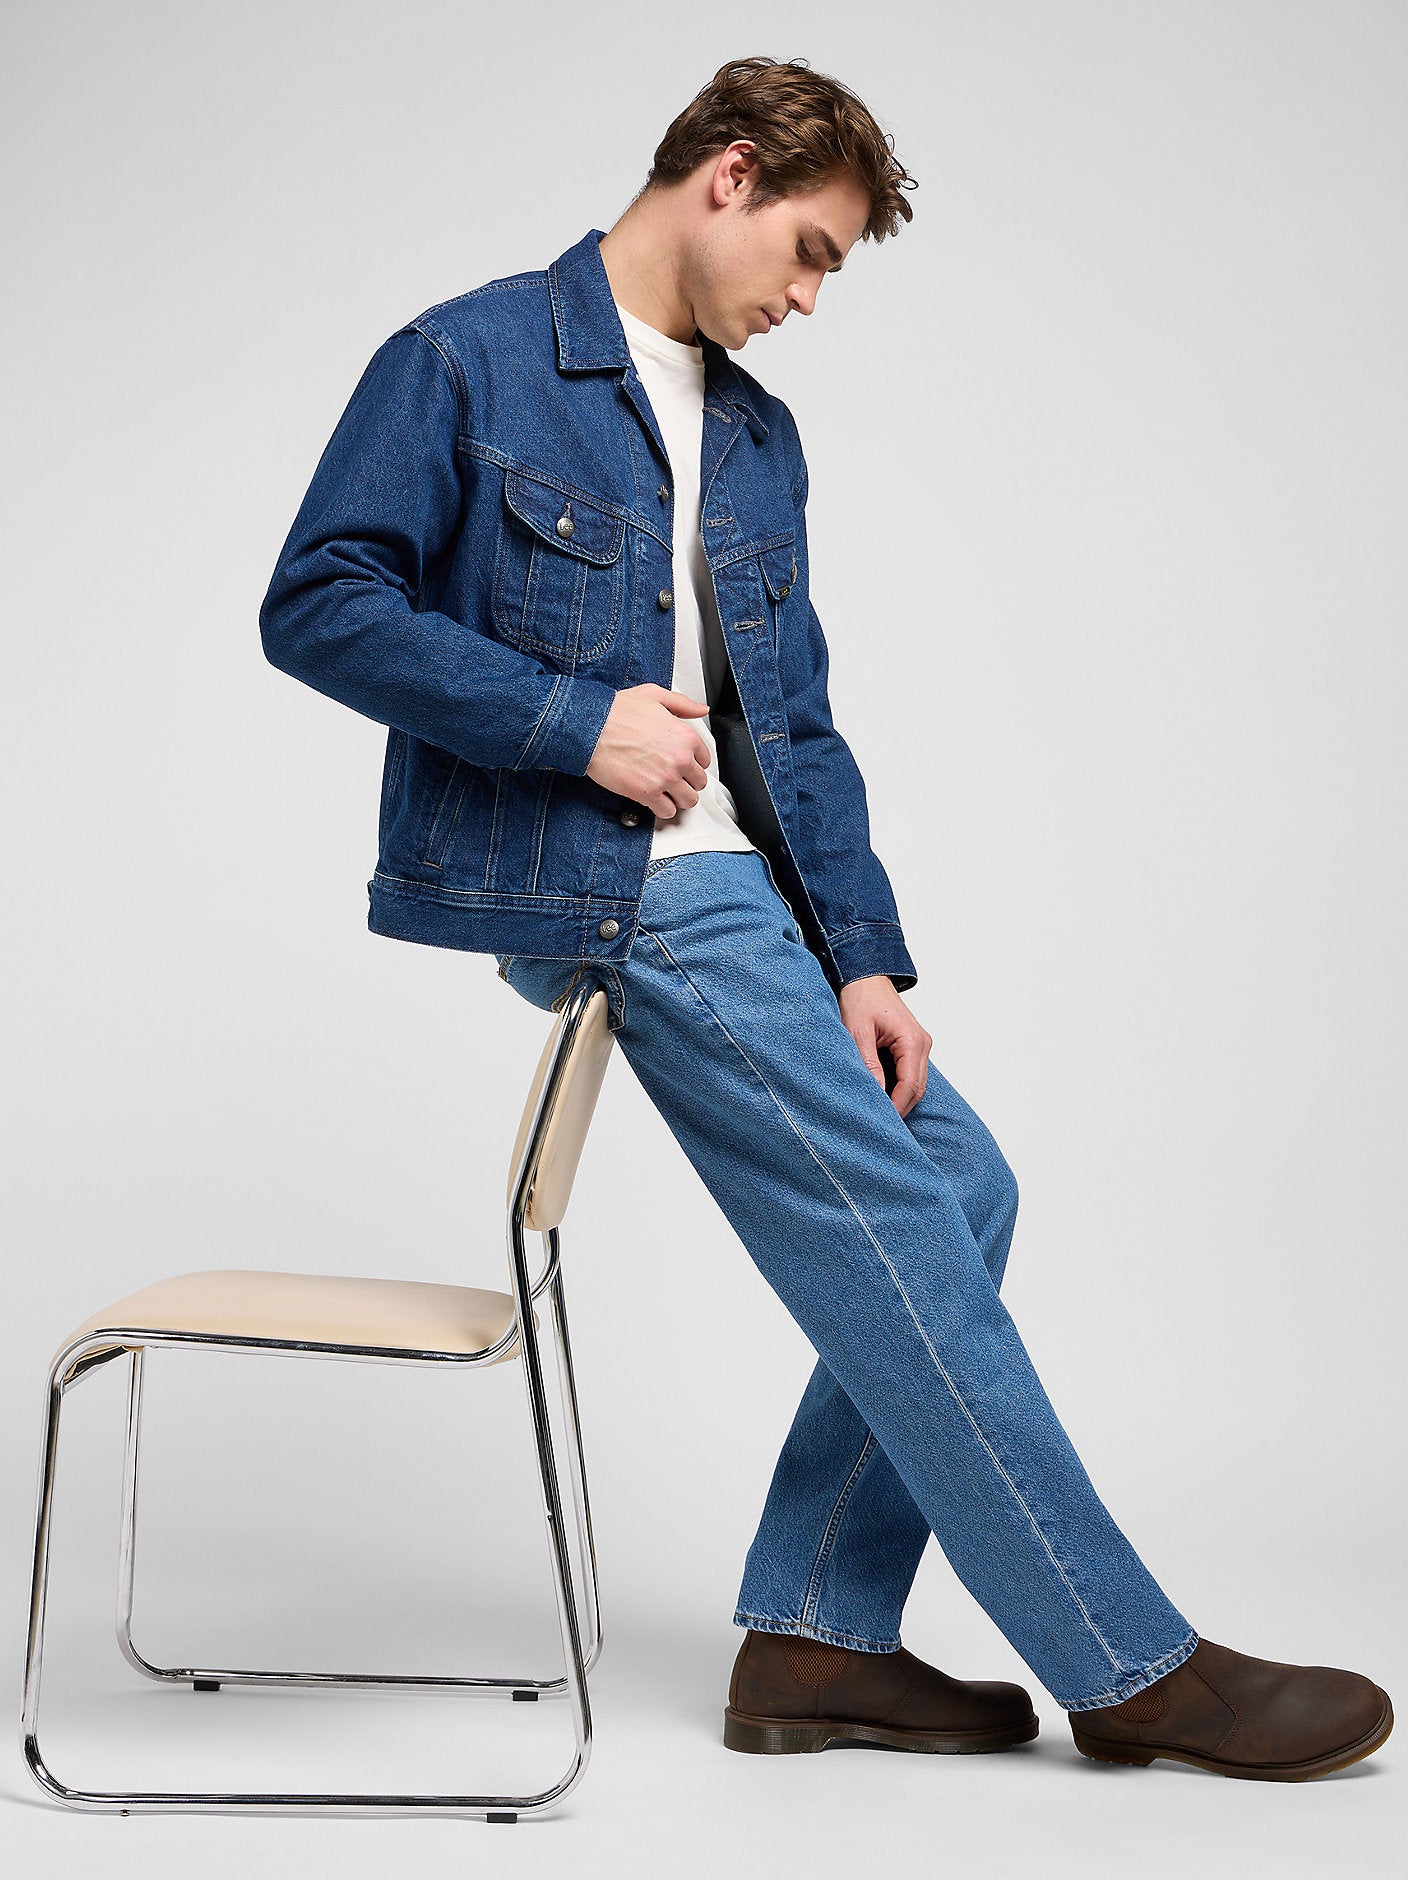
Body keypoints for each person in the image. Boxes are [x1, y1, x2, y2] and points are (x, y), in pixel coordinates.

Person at [259, 55, 1391, 1782]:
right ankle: (1134, 1665)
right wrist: (580, 724)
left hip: (740, 891)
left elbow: (794, 728)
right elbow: (318, 600)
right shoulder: (467, 360)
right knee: (895, 1205)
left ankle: (814, 1645)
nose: (805, 296)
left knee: (962, 1180)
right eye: (808, 251)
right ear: (727, 174)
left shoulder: (760, 434)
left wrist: (865, 953)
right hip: (600, 877)